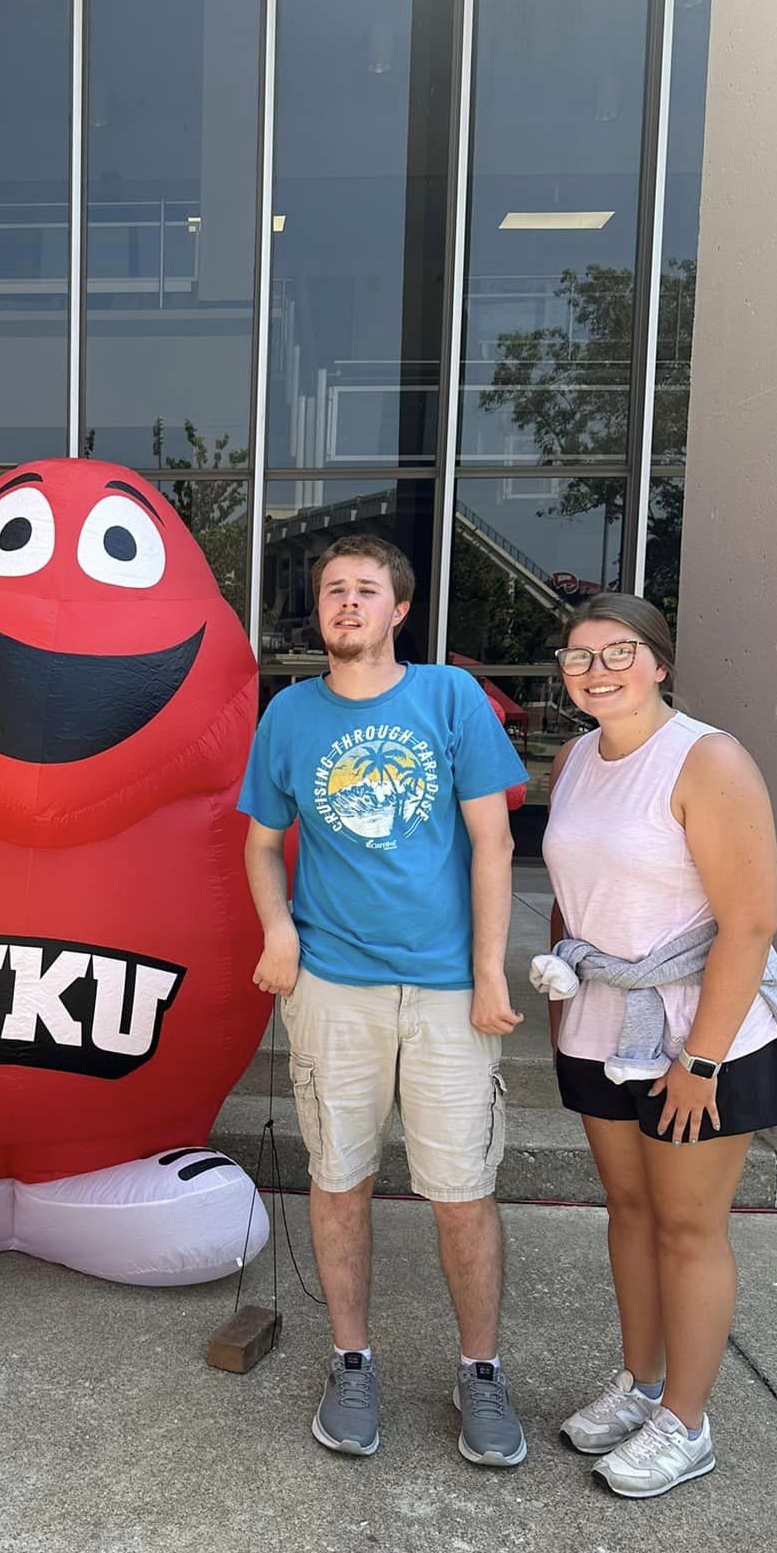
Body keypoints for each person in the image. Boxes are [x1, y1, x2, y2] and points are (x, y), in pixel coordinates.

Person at [240, 535, 531, 1468]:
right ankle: (351, 1360)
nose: (349, 604)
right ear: (319, 611)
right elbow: (259, 843)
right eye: (334, 591)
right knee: (339, 1181)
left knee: (462, 1193)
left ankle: (479, 1372)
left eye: (367, 591)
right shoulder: (289, 714)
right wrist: (279, 932)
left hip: (447, 990)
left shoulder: (447, 697)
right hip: (334, 984)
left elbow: (494, 842)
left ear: (399, 610)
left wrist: (491, 971)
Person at [539, 594, 777, 1499]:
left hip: (698, 1036)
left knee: (688, 1227)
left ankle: (688, 1420)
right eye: (577, 657)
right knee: (630, 1212)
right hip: (604, 1023)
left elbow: (751, 921)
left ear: (659, 662)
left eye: (618, 652)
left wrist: (703, 1059)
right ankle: (640, 1382)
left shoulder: (707, 759)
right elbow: (576, 896)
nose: (596, 670)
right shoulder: (573, 759)